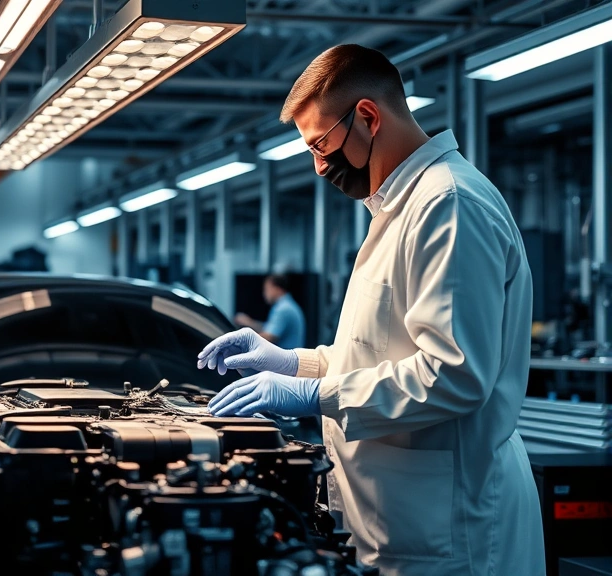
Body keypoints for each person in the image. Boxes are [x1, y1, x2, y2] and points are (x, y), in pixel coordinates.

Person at [197, 45, 543, 575]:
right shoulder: (395, 209)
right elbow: (377, 353)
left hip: (452, 529)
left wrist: (314, 395)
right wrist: (293, 364)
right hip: (402, 521)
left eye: (320, 144)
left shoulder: (449, 206)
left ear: (367, 117)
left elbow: (454, 375)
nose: (318, 167)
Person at [233, 273, 306, 349]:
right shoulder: (288, 305)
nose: (264, 294)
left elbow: (269, 337)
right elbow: (269, 327)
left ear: (277, 288)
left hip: (284, 359)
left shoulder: (283, 309)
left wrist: (239, 339)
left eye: (266, 289)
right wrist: (250, 322)